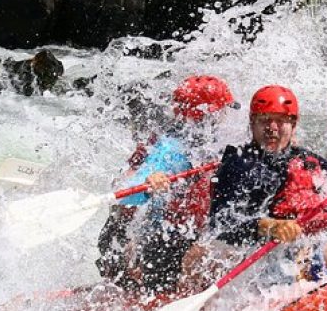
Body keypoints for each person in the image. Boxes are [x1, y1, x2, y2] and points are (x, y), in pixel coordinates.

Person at [180, 85, 327, 291]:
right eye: (264, 120)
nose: (272, 128)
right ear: (252, 124)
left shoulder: (300, 156)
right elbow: (221, 223)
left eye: (280, 120)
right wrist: (268, 225)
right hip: (285, 258)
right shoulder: (239, 164)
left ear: (293, 125)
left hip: (323, 238)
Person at [96, 75, 238, 293]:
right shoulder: (172, 149)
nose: (226, 116)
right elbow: (127, 194)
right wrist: (149, 181)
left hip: (171, 237)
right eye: (222, 110)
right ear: (207, 115)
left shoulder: (208, 142)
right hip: (148, 244)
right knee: (203, 254)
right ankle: (144, 289)